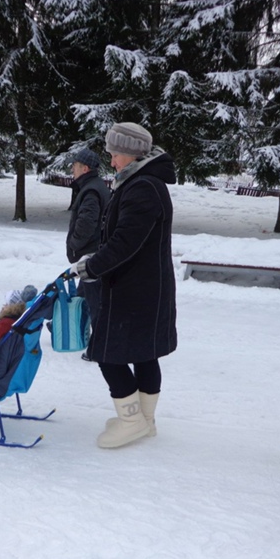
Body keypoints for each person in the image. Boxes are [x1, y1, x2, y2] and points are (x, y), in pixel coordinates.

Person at [71, 122, 178, 448]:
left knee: (109, 353)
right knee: (144, 353)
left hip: (135, 290)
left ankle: (132, 421)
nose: (112, 161)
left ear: (131, 155)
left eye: (115, 154)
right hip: (143, 288)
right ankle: (144, 421)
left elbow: (125, 243)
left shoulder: (143, 187)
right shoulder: (141, 182)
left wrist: (91, 266)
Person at [66, 148, 111, 361]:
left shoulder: (91, 190)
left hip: (90, 254)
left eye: (75, 166)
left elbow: (86, 223)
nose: (72, 170)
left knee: (95, 304)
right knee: (83, 295)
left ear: (84, 168)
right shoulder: (94, 186)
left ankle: (99, 349)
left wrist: (75, 243)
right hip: (93, 252)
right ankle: (65, 324)